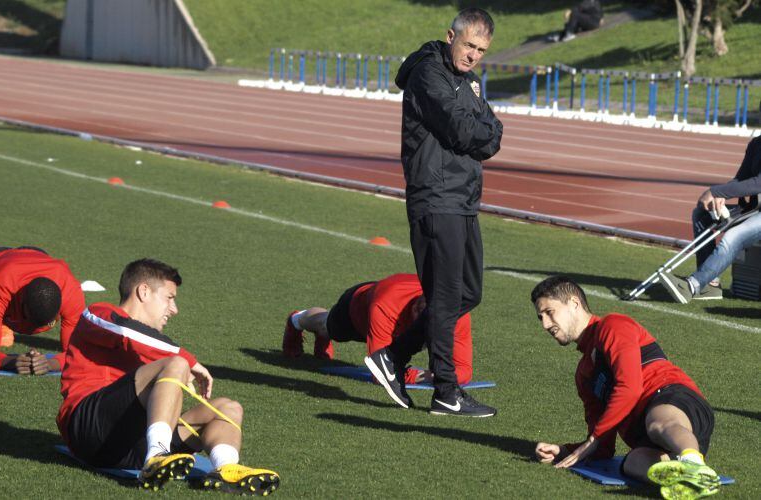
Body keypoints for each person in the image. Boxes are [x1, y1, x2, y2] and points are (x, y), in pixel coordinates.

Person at [365, 8, 502, 418]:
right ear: (450, 36)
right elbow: (465, 130)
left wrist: (481, 131)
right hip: (435, 196)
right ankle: (446, 390)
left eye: (481, 50)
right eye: (468, 45)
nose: (474, 55)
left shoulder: (470, 81)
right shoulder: (428, 75)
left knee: (468, 292)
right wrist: (481, 131)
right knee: (443, 295)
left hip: (463, 198)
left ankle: (394, 356)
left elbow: (492, 133)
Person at [56, 258, 279, 494]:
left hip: (131, 446)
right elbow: (127, 331)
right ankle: (157, 455)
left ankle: (226, 470)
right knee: (176, 363)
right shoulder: (98, 313)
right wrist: (188, 362)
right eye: (169, 298)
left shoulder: (152, 349)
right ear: (143, 291)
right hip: (87, 429)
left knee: (228, 408)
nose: (174, 309)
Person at [531, 276, 720, 499]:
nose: (544, 324)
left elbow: (630, 387)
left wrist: (595, 438)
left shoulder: (612, 325)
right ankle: (685, 480)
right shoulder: (583, 374)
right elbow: (602, 444)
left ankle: (693, 464)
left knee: (657, 422)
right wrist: (565, 450)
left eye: (549, 312)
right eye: (540, 317)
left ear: (574, 303)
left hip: (673, 399)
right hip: (651, 435)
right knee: (633, 462)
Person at [283, 273, 473, 385]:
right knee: (327, 327)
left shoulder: (458, 314)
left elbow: (464, 368)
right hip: (356, 311)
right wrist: (423, 376)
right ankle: (296, 320)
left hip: (386, 309)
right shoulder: (385, 306)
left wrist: (443, 375)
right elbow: (379, 372)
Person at [660, 135, 761, 303]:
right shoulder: (756, 143)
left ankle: (692, 285)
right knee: (702, 213)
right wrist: (721, 197)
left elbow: (758, 184)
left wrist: (717, 192)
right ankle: (709, 285)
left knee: (732, 236)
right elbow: (741, 178)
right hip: (755, 209)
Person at [0, 246, 85, 375]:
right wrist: (10, 362)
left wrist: (50, 364)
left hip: (37, 255)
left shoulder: (70, 292)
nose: (31, 330)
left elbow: (77, 354)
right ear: (21, 303)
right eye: (27, 319)